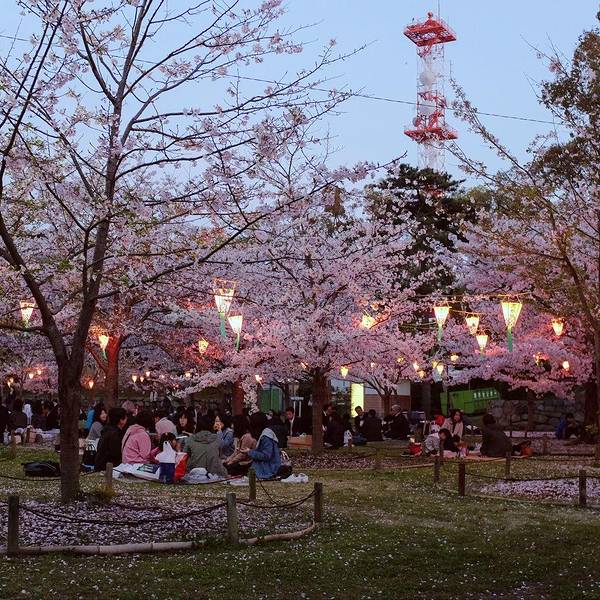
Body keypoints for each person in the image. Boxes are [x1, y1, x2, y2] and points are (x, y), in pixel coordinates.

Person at [245, 412, 282, 480]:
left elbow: (266, 456)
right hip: (266, 464)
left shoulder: (266, 437)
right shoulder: (264, 434)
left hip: (269, 467)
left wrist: (249, 451)